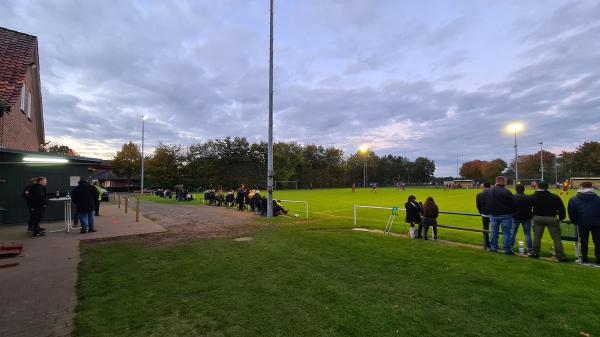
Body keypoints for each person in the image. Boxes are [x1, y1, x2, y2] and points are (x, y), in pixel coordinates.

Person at [530, 181, 566, 261]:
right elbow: (561, 209)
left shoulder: (533, 196)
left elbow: (528, 208)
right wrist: (561, 218)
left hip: (538, 218)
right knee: (556, 238)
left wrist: (531, 216)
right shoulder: (554, 196)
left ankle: (535, 252)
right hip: (551, 218)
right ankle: (560, 255)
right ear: (547, 187)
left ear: (538, 187)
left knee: (537, 237)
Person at [568, 182, 600, 266]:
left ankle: (584, 260)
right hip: (597, 223)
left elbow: (572, 213)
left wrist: (575, 222)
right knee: (597, 242)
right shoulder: (598, 198)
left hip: (582, 223)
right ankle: (598, 262)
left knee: (584, 242)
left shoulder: (574, 199)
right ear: (591, 187)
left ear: (581, 187)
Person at [481, 176, 516, 254]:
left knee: (494, 232)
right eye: (505, 182)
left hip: (493, 214)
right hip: (505, 215)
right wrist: (512, 212)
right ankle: (507, 249)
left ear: (496, 182)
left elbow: (484, 203)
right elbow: (513, 204)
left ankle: (493, 248)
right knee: (506, 233)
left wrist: (488, 211)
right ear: (503, 182)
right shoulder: (507, 191)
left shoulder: (487, 191)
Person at [511, 184, 533, 253]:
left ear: (516, 189)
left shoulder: (513, 197)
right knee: (528, 234)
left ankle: (510, 247)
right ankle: (529, 249)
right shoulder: (529, 197)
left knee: (513, 233)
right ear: (524, 189)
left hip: (515, 217)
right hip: (526, 217)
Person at [476, 182, 492, 250]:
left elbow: (478, 205)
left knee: (485, 230)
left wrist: (481, 212)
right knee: (494, 230)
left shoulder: (479, 194)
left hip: (484, 214)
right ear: (490, 186)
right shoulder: (493, 194)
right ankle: (494, 244)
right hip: (493, 214)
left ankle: (487, 245)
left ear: (483, 186)